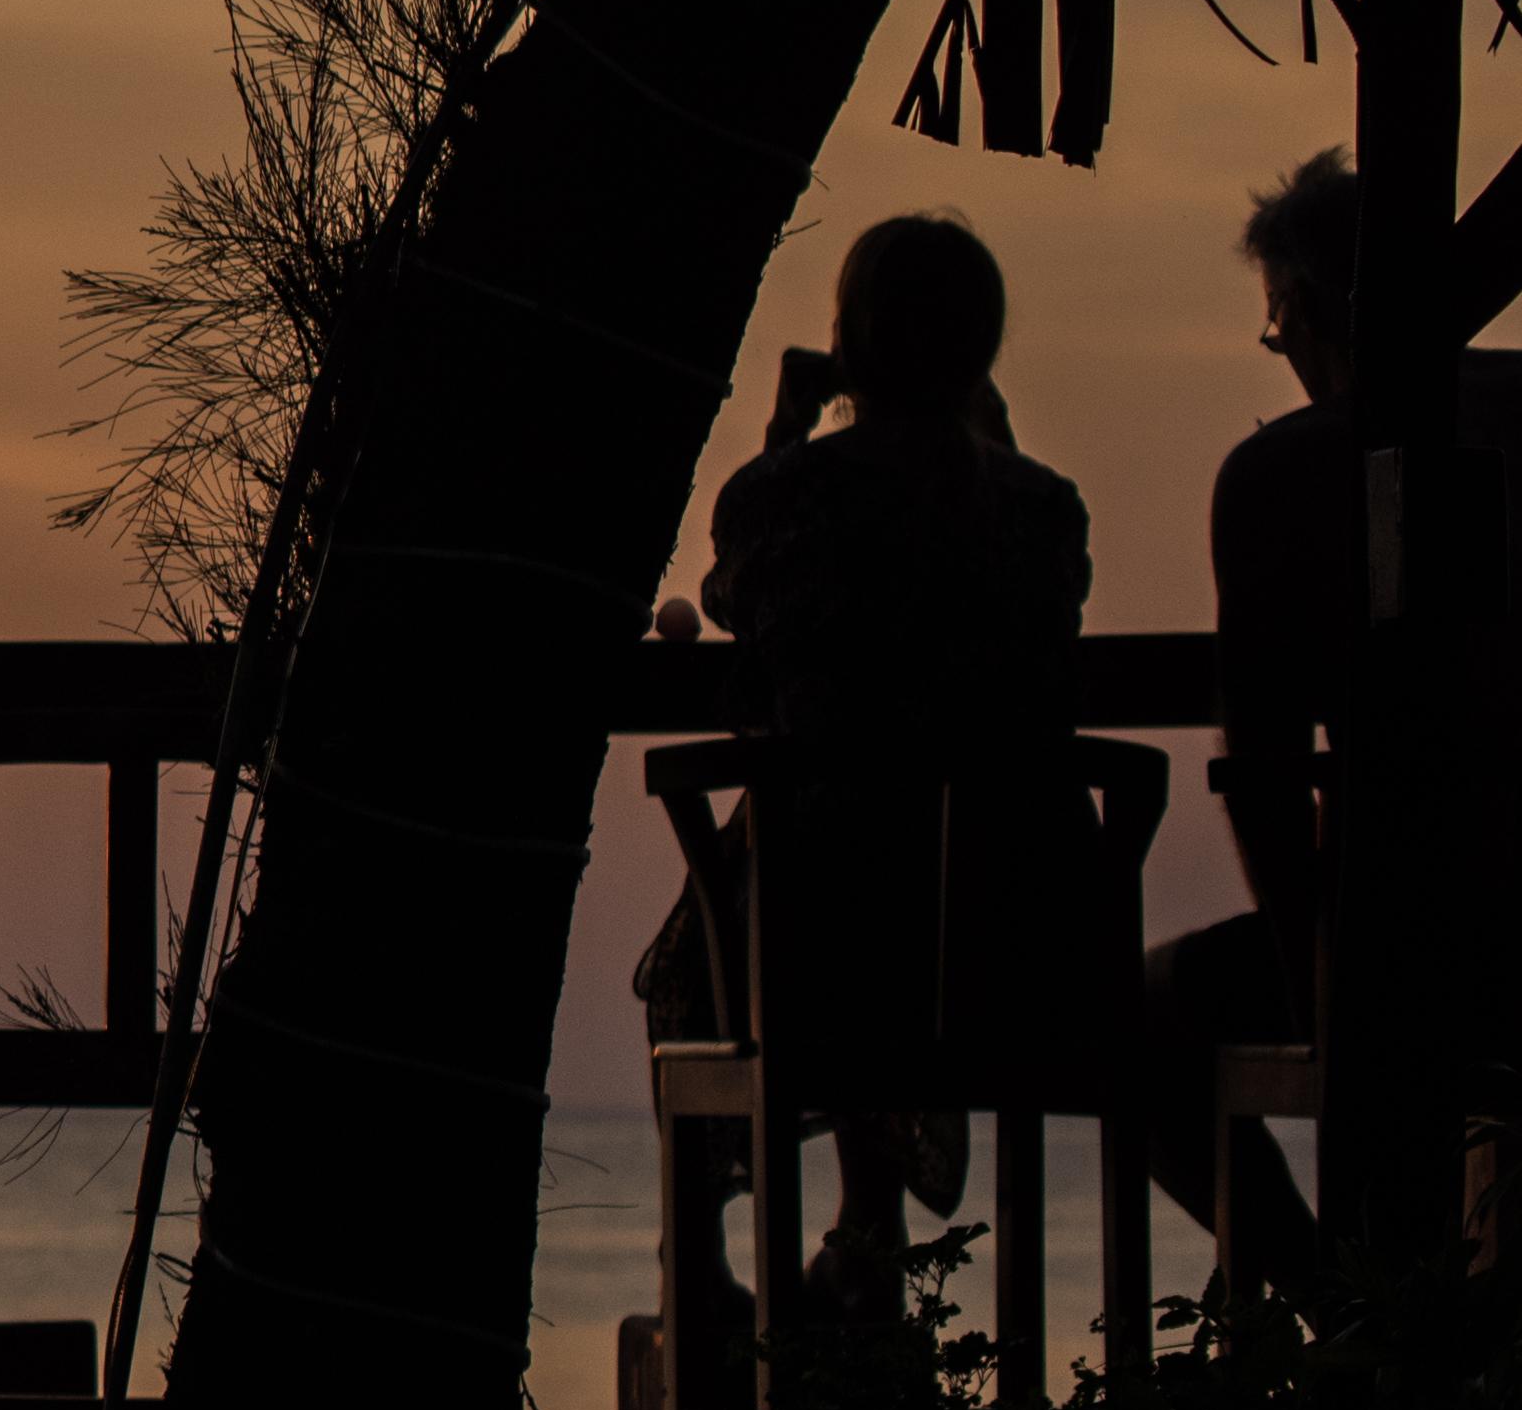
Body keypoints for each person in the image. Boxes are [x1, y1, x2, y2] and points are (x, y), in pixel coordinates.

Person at [631, 210, 1092, 1285]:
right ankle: (866, 1226)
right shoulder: (1042, 509)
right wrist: (993, 439)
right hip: (1013, 930)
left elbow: (735, 593)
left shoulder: (786, 494)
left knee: (776, 890)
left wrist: (788, 429)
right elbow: (1042, 612)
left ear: (850, 340)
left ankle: (699, 1270)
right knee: (876, 863)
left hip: (821, 936)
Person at [1132, 152, 1522, 1252]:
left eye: (1275, 329)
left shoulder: (1281, 472)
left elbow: (1260, 771)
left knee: (1136, 1018)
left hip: (1410, 947)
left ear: (1300, 307)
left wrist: (1324, 992)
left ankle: (1324, 1309)